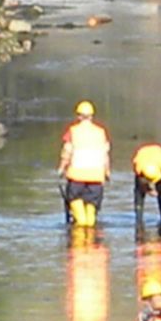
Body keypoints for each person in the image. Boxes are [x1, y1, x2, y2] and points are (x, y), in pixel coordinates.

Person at [58, 100, 114, 234]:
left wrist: (61, 168)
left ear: (78, 116)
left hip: (76, 176)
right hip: (96, 176)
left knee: (76, 204)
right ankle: (90, 231)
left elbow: (67, 152)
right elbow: (105, 155)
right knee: (91, 209)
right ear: (92, 116)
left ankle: (80, 229)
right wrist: (107, 172)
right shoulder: (101, 132)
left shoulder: (73, 131)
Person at [131, 133, 161, 238]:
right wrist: (148, 190)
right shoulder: (139, 167)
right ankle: (138, 218)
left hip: (157, 158)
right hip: (143, 158)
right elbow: (138, 176)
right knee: (139, 193)